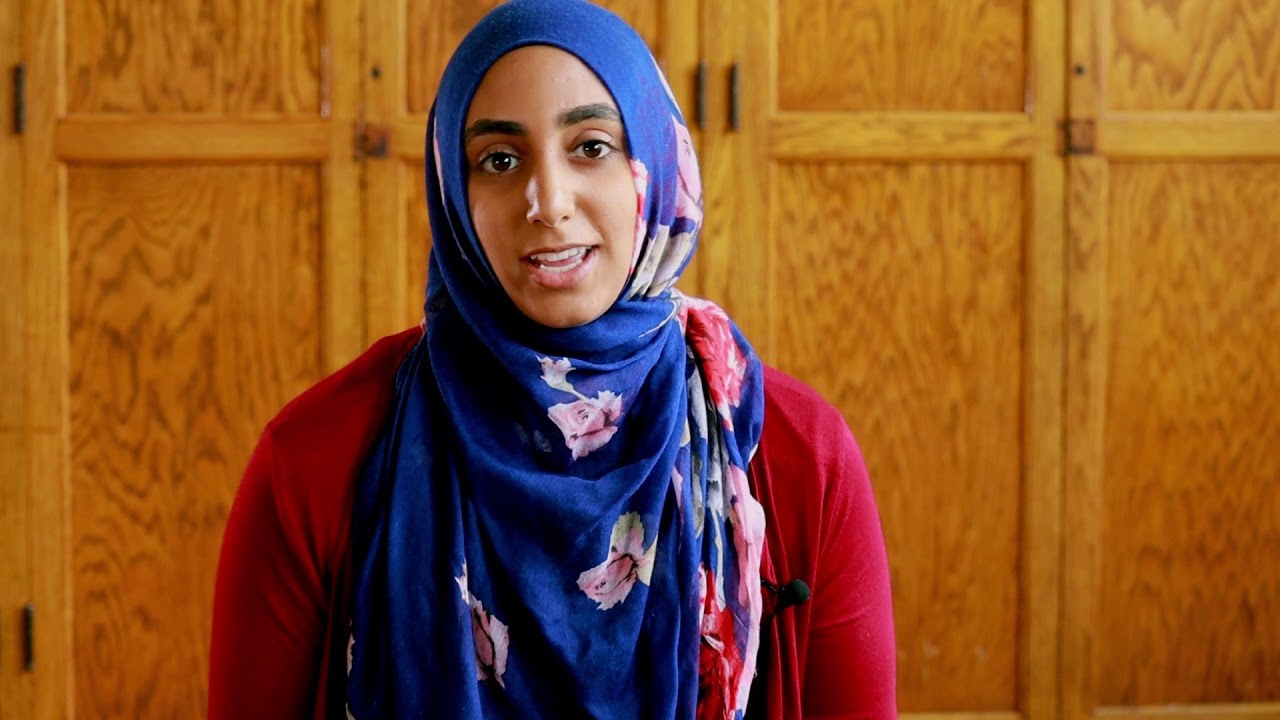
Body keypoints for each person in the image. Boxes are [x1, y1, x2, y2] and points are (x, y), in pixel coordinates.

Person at [208, 1, 895, 717]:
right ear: (453, 193)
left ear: (658, 162)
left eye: (591, 147)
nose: (547, 201)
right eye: (499, 161)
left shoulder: (794, 455)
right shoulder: (315, 462)